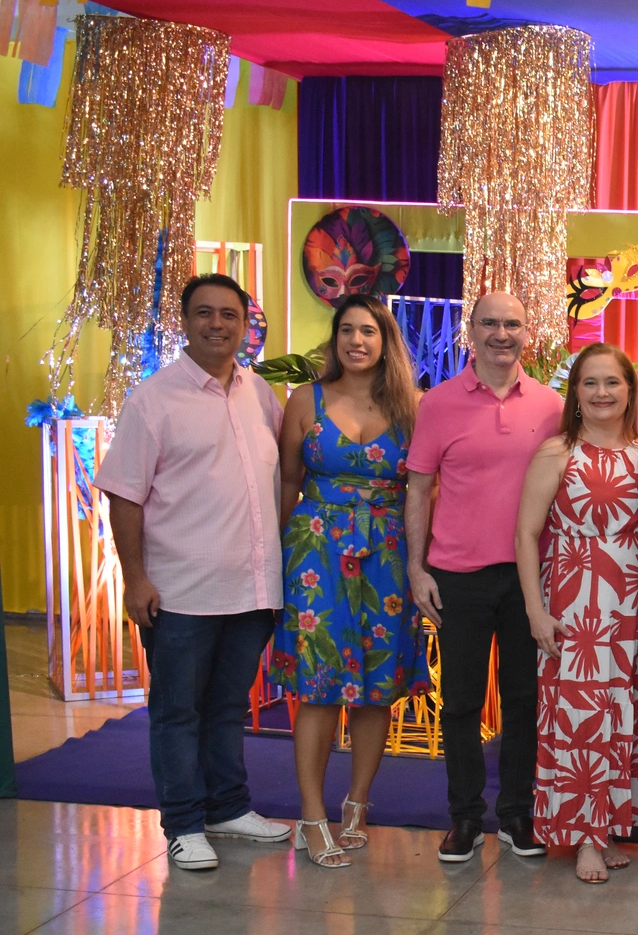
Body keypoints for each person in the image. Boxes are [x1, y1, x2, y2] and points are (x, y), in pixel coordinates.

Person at [96, 273, 292, 870]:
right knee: (178, 711)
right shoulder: (153, 400)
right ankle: (183, 822)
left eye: (229, 314)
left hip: (251, 590)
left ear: (245, 325)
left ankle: (227, 807)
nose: (217, 324)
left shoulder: (261, 395)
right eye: (204, 313)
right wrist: (135, 578)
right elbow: (124, 494)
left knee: (229, 707)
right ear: (183, 322)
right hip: (180, 590)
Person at [405, 293, 565, 864]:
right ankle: (465, 818)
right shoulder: (438, 403)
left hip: (531, 578)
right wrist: (416, 566)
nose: (502, 333)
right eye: (490, 323)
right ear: (469, 330)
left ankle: (518, 813)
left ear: (527, 333)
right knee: (460, 703)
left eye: (512, 324)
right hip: (458, 575)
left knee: (525, 700)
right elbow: (418, 488)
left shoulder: (551, 405)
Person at [272, 293, 430, 868]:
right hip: (315, 553)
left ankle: (357, 803)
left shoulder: (414, 406)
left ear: (386, 342)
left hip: (388, 553)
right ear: (334, 338)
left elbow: (426, 490)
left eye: (368, 331)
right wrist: (271, 557)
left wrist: (424, 563)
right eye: (347, 330)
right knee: (318, 685)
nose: (356, 341)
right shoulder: (304, 399)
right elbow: (287, 482)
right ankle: (312, 816)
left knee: (377, 687)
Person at [515, 343, 638, 884]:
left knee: (622, 714)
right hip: (577, 603)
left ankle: (608, 826)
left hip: (633, 604)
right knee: (580, 717)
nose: (601, 392)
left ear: (630, 391)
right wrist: (536, 610)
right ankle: (584, 838)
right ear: (574, 392)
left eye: (612, 382)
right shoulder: (558, 452)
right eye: (590, 382)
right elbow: (526, 534)